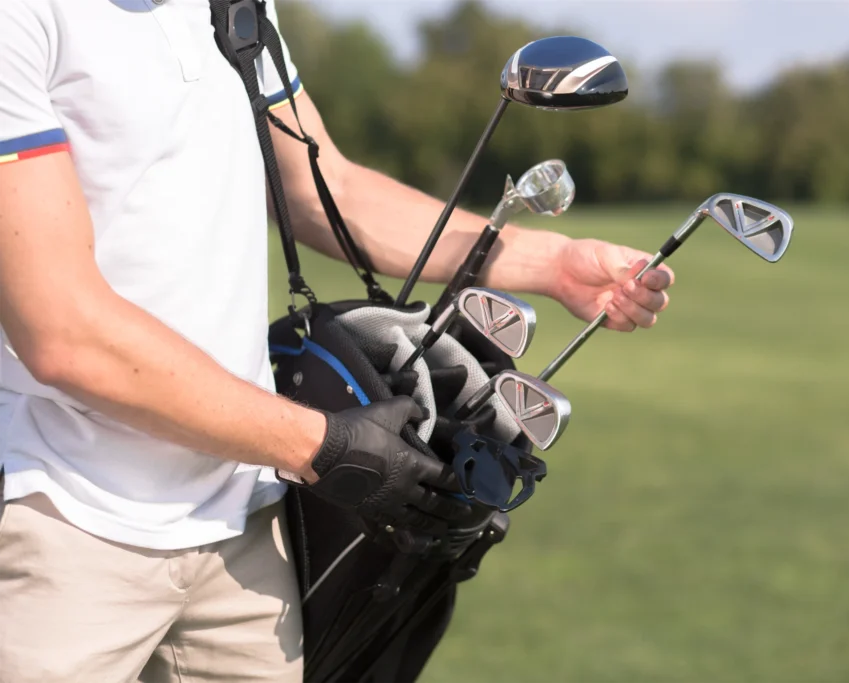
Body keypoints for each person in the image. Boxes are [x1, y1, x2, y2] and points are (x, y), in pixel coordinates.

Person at [0, 1, 674, 681]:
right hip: (59, 518)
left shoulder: (231, 6)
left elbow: (324, 188)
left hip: (243, 529)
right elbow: (61, 328)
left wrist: (549, 263)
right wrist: (322, 443)